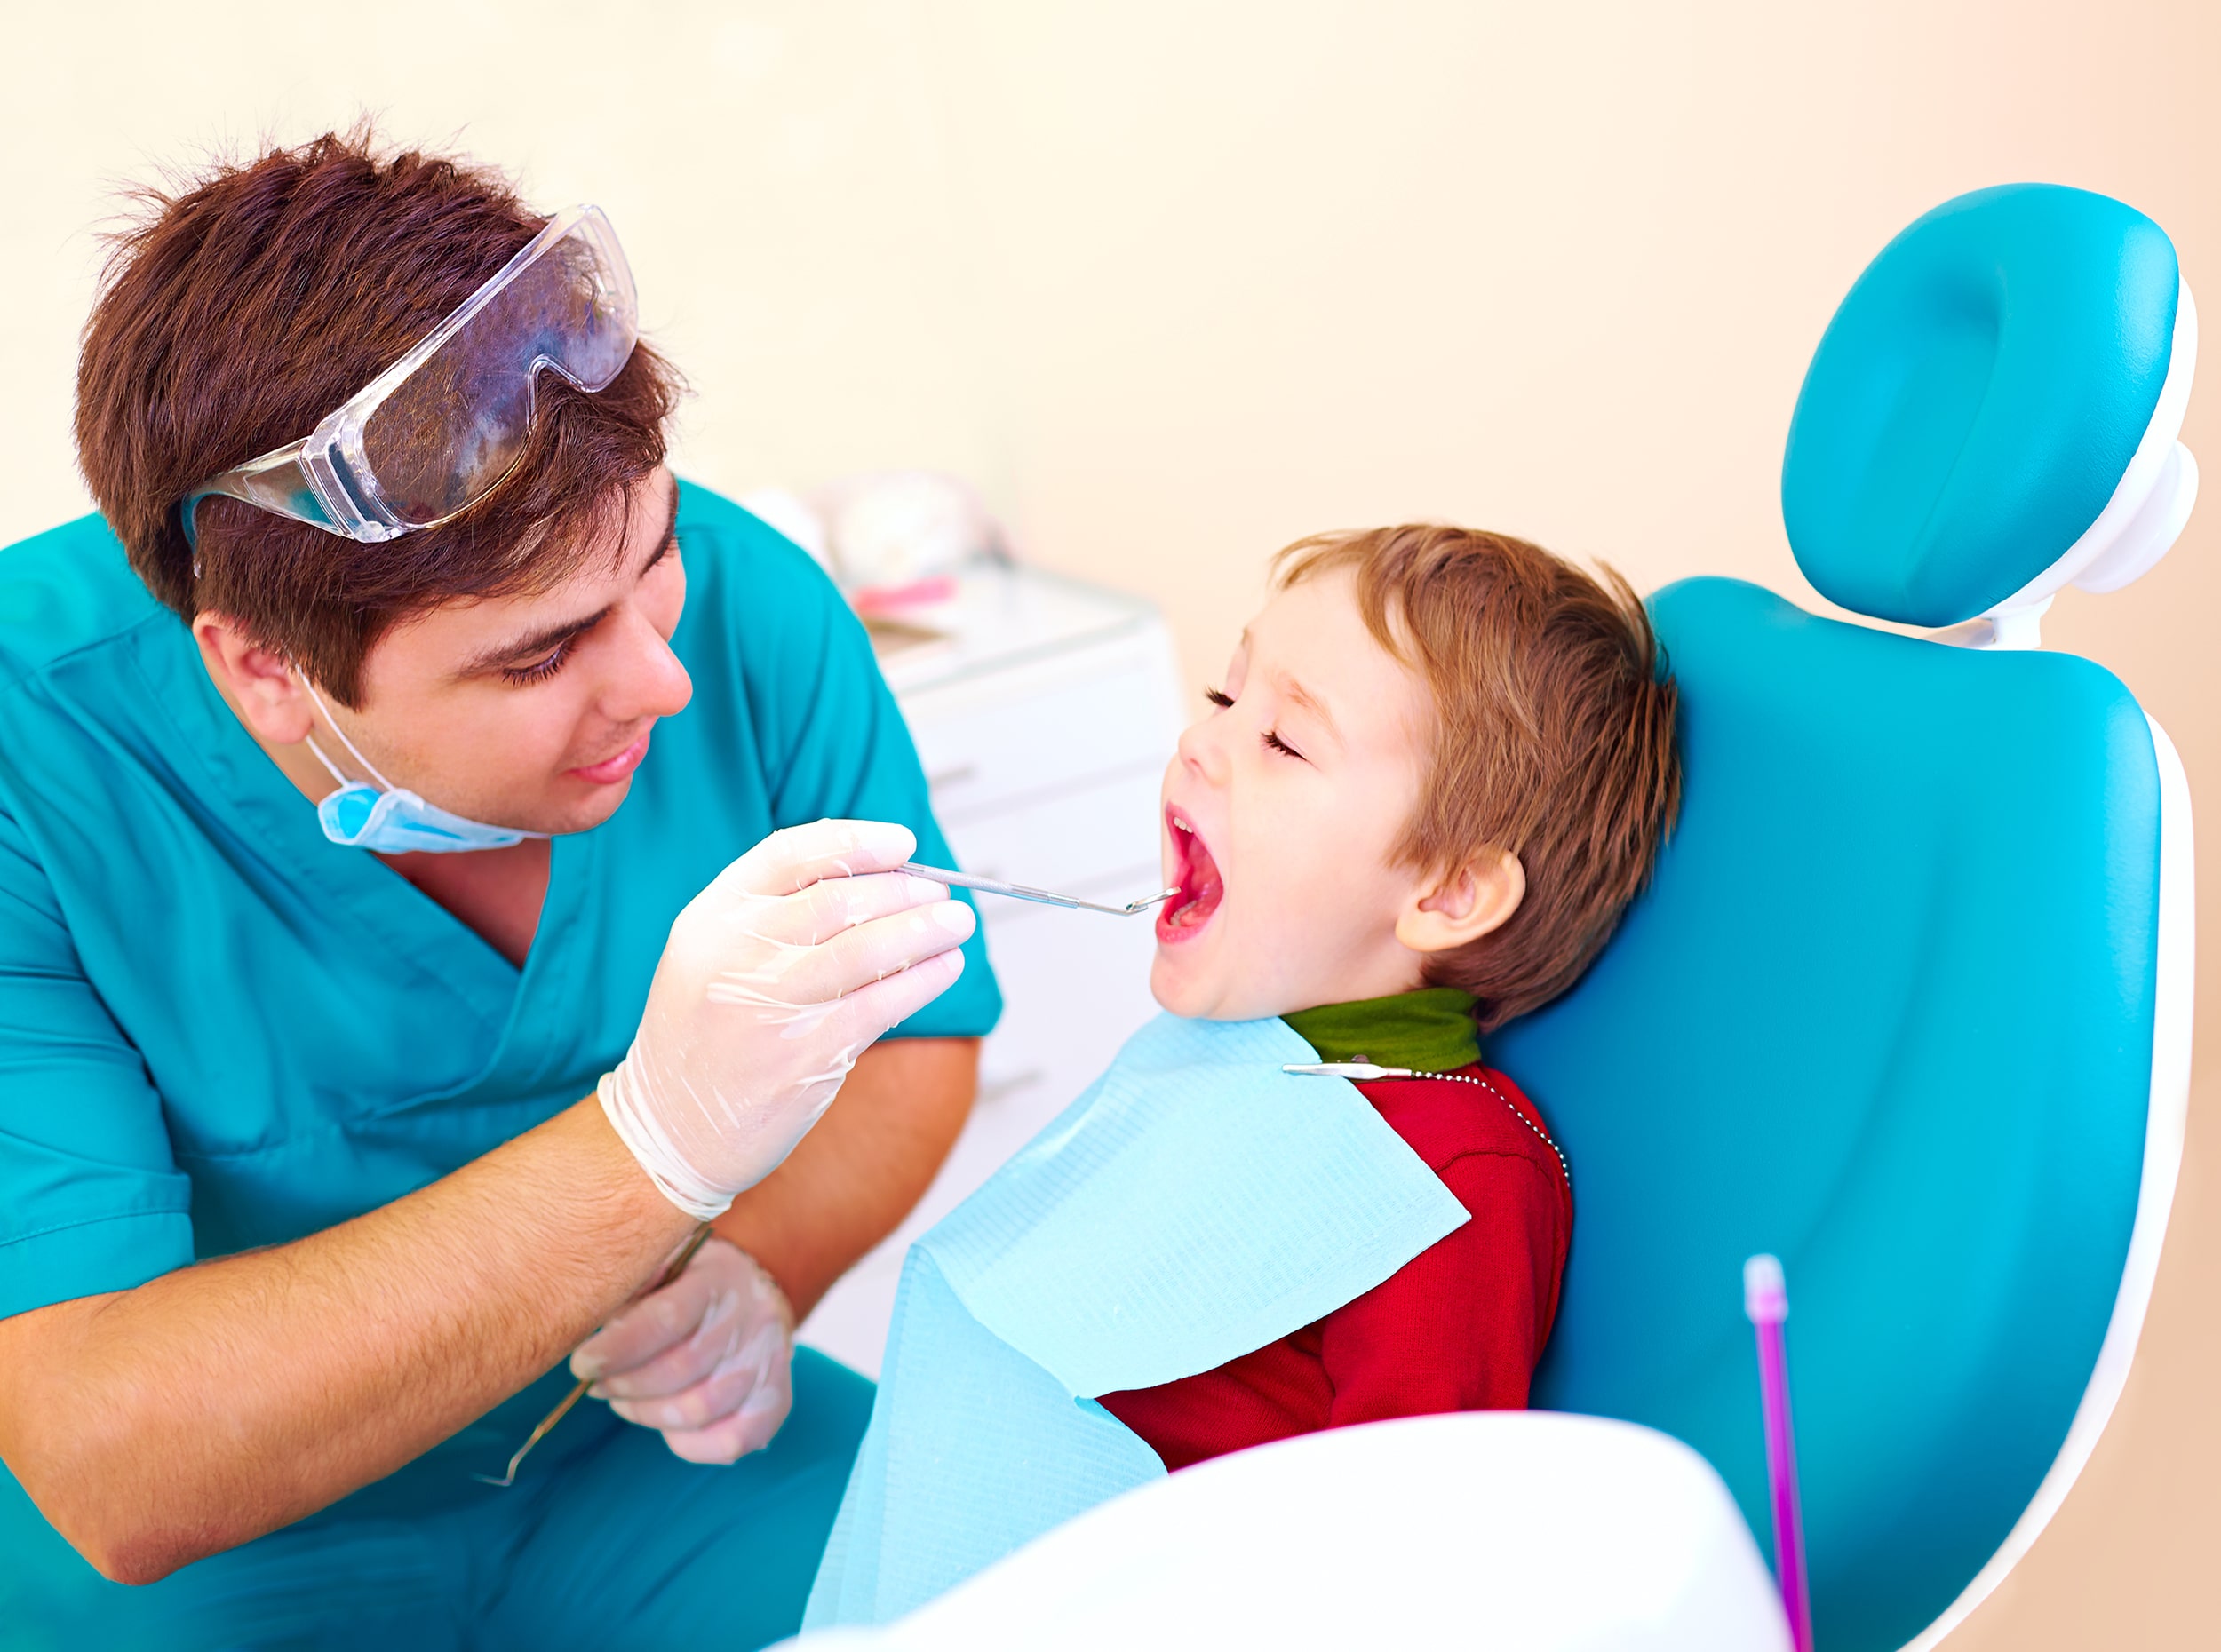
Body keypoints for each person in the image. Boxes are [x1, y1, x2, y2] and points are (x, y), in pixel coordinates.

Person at [0, 134, 1000, 1650]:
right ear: (264, 671)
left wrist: (755, 1266)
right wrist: (655, 1150)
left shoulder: (751, 610)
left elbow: (922, 1039)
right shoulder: (37, 756)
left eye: (654, 566)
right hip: (226, 1528)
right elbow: (118, 1460)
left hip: (629, 1453)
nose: (663, 678)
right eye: (538, 655)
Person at [806, 523, 1680, 1627]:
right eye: (1225, 698)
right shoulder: (1234, 1051)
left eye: (1284, 743)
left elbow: (1399, 1575)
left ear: (1448, 895)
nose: (1200, 744)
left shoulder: (1454, 1181)